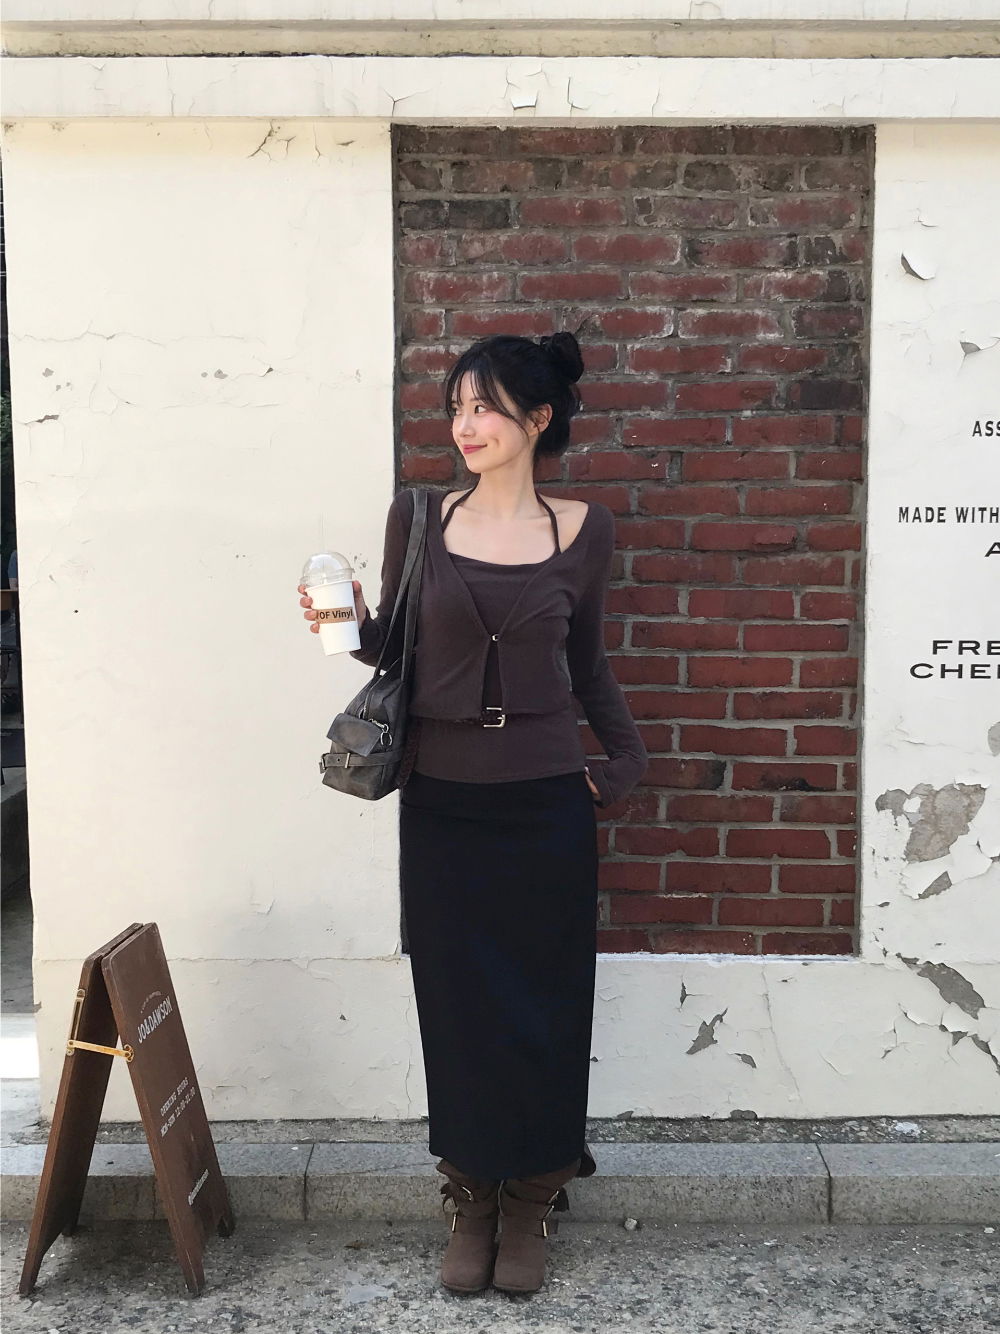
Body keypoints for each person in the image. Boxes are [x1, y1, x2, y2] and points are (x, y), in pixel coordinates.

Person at [298, 331, 648, 1295]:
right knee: (456, 1009)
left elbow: (588, 664)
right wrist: (341, 623)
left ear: (538, 419)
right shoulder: (418, 517)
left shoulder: (585, 529)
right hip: (443, 802)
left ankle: (532, 1199)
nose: (466, 424)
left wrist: (624, 763)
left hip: (546, 803)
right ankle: (470, 1199)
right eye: (457, 406)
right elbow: (396, 651)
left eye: (486, 406)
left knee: (545, 1005)